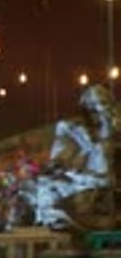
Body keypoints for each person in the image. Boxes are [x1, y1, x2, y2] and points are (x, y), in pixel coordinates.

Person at [19, 84, 113, 229]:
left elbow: (104, 163)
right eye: (95, 105)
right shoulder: (73, 128)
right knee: (46, 186)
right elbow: (62, 154)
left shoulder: (108, 128)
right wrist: (59, 165)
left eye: (102, 103)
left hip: (96, 179)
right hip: (81, 177)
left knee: (56, 189)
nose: (98, 110)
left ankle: (62, 219)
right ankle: (55, 220)